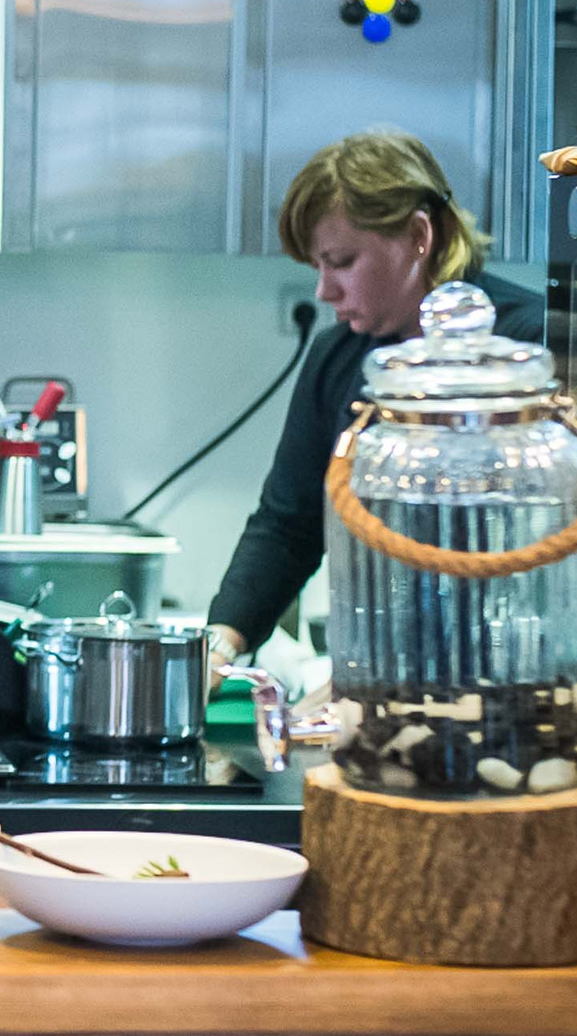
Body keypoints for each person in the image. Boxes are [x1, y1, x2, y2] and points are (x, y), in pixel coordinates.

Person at [206, 128, 545, 675]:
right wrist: (219, 647)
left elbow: (546, 544)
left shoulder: (530, 344)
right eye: (317, 267)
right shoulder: (338, 357)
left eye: (340, 261)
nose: (323, 291)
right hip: (379, 671)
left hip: (516, 670)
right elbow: (289, 525)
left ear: (418, 234)